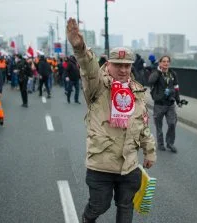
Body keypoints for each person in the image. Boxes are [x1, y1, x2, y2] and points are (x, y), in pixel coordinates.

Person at [67, 18, 156, 223]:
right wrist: (80, 48)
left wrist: (149, 151)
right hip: (101, 165)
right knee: (100, 205)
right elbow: (88, 69)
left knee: (126, 207)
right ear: (108, 65)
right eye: (118, 65)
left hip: (129, 165)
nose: (123, 70)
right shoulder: (98, 87)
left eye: (127, 66)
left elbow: (142, 124)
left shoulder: (136, 91)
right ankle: (87, 219)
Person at [148, 55, 180, 153]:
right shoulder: (156, 73)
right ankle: (160, 143)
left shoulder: (173, 74)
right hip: (159, 104)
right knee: (159, 126)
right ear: (160, 63)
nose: (166, 63)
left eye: (167, 61)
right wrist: (159, 71)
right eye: (164, 61)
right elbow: (150, 81)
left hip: (170, 104)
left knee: (172, 123)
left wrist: (178, 100)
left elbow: (176, 87)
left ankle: (170, 143)